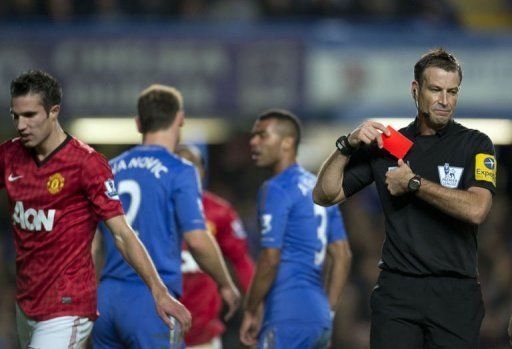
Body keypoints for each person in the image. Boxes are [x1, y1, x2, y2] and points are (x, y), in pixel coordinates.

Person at [313, 48, 496, 349]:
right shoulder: (390, 146)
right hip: (398, 292)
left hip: (456, 293)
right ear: (416, 89)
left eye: (452, 92)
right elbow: (324, 195)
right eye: (435, 90)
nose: (445, 101)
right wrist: (346, 145)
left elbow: (477, 209)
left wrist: (413, 183)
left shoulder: (475, 144)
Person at [0, 70, 190, 349]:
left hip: (68, 304)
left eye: (30, 115)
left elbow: (123, 234)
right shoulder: (9, 155)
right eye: (16, 116)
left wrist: (158, 291)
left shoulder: (86, 164)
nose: (21, 125)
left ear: (54, 111)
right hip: (27, 302)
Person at [91, 84, 241, 349]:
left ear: (138, 124)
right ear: (180, 119)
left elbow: (91, 243)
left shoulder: (108, 169)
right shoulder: (180, 170)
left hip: (106, 299)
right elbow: (196, 239)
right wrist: (225, 283)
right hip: (151, 299)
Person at [240, 109, 352, 348]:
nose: (254, 142)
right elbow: (342, 255)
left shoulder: (277, 188)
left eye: (262, 135)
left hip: (285, 315)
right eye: (253, 135)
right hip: (318, 318)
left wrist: (250, 309)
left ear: (287, 142)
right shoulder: (318, 188)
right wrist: (328, 313)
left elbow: (270, 258)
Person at [176, 144, 255, 349]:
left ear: (202, 171)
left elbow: (242, 262)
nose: (185, 171)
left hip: (203, 333)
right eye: (178, 164)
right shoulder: (151, 210)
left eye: (192, 165)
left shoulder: (219, 212)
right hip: (155, 328)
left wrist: (255, 308)